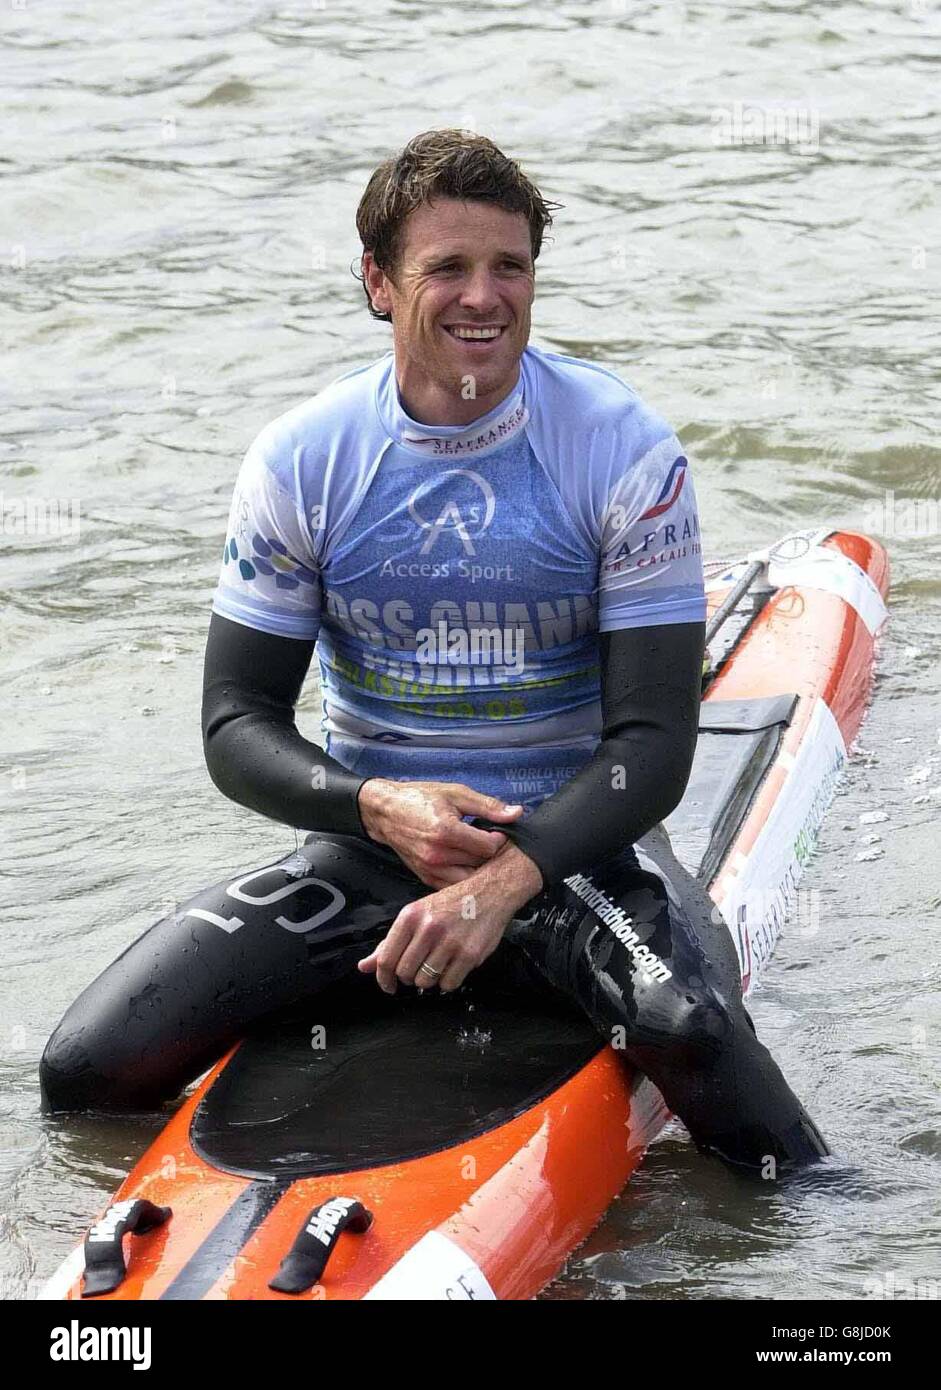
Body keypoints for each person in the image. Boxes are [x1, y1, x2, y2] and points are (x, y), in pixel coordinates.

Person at [40, 129, 827, 1173]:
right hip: (375, 852)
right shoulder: (303, 459)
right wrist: (372, 805)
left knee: (688, 1032)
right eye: (446, 267)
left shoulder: (617, 445)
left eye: (509, 266)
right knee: (89, 1067)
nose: (483, 297)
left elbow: (652, 741)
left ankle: (841, 1268)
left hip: (574, 849)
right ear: (376, 281)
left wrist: (499, 886)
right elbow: (235, 725)